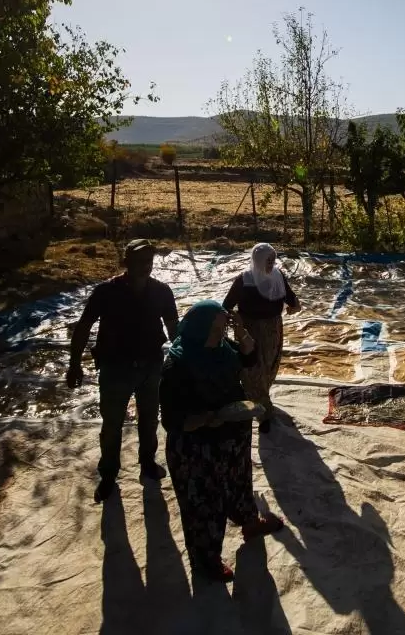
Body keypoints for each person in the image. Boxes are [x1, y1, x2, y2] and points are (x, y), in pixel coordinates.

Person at [160, 300, 286, 581]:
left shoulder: (222, 348)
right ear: (202, 328)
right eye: (219, 327)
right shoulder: (179, 364)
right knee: (205, 503)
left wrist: (242, 332)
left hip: (231, 437)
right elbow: (172, 420)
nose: (223, 332)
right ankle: (206, 561)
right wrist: (210, 417)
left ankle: (250, 522)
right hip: (198, 448)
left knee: (240, 482)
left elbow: (249, 360)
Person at [67, 239, 179, 503]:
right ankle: (108, 475)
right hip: (115, 367)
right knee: (112, 423)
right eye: (139, 262)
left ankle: (147, 463)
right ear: (126, 263)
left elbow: (174, 330)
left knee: (150, 419)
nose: (145, 267)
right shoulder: (107, 292)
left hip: (151, 365)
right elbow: (83, 327)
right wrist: (74, 364)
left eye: (149, 262)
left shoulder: (162, 292)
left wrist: (191, 353)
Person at [222, 243, 301, 434]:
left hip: (273, 329)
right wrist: (236, 322)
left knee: (269, 367)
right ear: (258, 260)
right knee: (252, 371)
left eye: (273, 260)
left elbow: (290, 297)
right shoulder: (245, 280)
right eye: (268, 260)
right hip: (250, 330)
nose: (271, 264)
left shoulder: (277, 276)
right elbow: (226, 305)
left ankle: (262, 398)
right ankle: (264, 413)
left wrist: (295, 305)